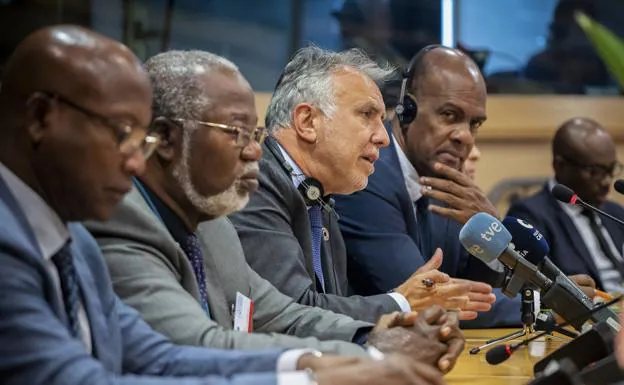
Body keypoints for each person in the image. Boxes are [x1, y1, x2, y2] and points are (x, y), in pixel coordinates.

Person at [0, 25, 447, 385]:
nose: (136, 158)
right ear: (41, 118)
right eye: (123, 132)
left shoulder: (79, 235)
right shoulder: (62, 230)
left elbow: (156, 353)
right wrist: (323, 372)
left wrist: (362, 351)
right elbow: (87, 375)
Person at [333, 46, 596, 327]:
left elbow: (474, 287)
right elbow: (430, 300)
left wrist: (493, 234)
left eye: (475, 123)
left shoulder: (445, 183)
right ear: (406, 110)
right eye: (449, 115)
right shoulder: (368, 176)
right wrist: (546, 305)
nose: (465, 137)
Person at [229, 45, 490, 327]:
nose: (384, 138)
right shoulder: (256, 184)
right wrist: (401, 302)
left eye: (381, 119)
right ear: (307, 121)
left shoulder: (318, 197)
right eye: (367, 115)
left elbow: (328, 309)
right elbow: (290, 313)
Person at [508, 117, 623, 293]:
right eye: (595, 172)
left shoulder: (615, 213)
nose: (607, 181)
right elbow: (528, 288)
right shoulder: (529, 215)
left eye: (611, 170)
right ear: (560, 166)